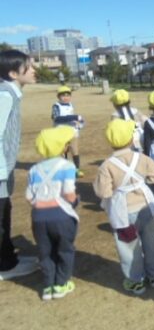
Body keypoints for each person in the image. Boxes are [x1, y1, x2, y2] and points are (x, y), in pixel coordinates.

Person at [93, 119, 154, 295]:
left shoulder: (106, 166)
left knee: (129, 247)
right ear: (131, 139)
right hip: (147, 207)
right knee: (152, 242)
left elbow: (103, 192)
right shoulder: (141, 157)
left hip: (123, 213)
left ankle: (136, 281)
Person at [26, 126, 79, 300]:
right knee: (65, 249)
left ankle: (48, 286)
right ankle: (62, 283)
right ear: (63, 147)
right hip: (61, 215)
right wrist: (75, 201)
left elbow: (28, 196)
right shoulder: (67, 166)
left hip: (39, 217)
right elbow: (68, 192)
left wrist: (40, 203)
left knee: (45, 251)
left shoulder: (34, 169)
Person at [0, 49, 38, 281]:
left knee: (5, 211)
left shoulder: (10, 93)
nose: (34, 70)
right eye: (29, 67)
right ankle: (5, 265)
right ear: (14, 73)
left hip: (4, 168)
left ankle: (8, 256)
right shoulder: (4, 95)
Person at [51, 86, 85, 177]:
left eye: (68, 95)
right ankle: (65, 169)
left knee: (75, 150)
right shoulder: (56, 106)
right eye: (63, 95)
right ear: (58, 97)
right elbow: (56, 118)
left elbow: (72, 117)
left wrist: (79, 123)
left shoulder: (70, 105)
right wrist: (73, 117)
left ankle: (77, 169)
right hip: (60, 131)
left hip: (72, 131)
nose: (66, 97)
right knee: (64, 151)